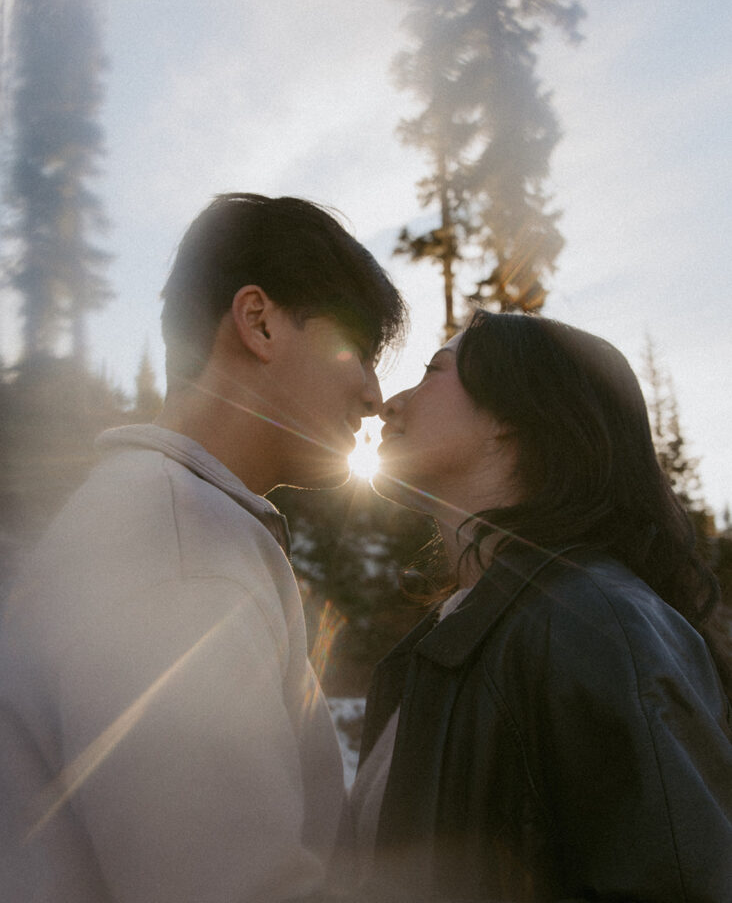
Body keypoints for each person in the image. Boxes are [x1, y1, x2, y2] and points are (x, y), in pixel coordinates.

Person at [0, 193, 406, 903]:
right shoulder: (177, 548)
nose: (375, 394)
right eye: (360, 351)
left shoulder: (176, 520)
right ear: (258, 322)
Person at [352, 310, 732, 903]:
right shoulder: (452, 639)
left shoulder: (597, 622)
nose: (388, 404)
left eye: (432, 373)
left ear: (511, 417)